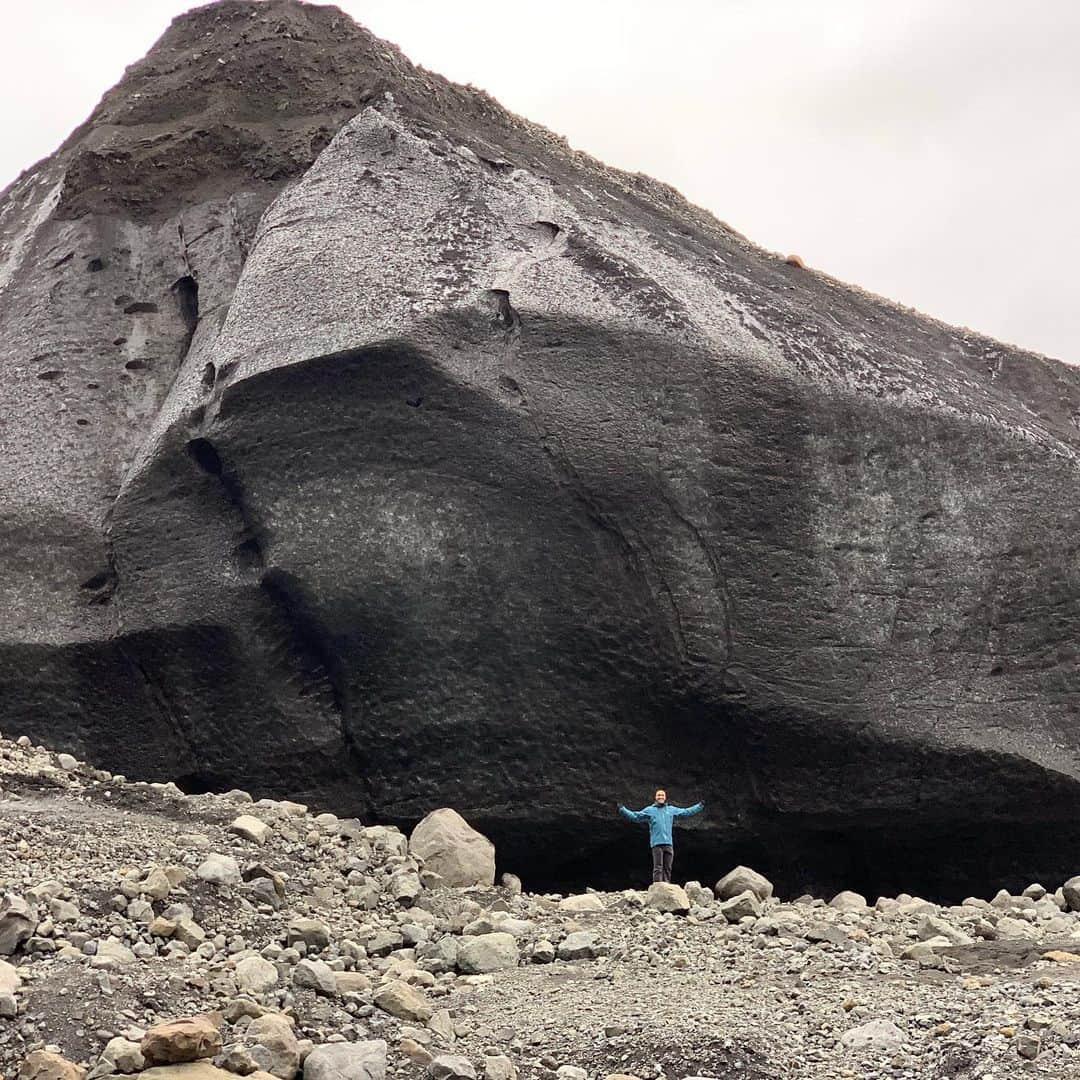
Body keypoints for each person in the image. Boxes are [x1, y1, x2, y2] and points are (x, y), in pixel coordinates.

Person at [617, 789, 704, 884]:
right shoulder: (650, 810)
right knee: (658, 867)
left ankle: (666, 886)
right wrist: (622, 809)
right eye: (659, 795)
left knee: (668, 867)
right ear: (655, 797)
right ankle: (657, 886)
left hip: (668, 844)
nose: (660, 797)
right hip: (657, 843)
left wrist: (700, 806)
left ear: (665, 797)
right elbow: (635, 816)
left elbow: (686, 812)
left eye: (662, 795)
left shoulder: (671, 809)